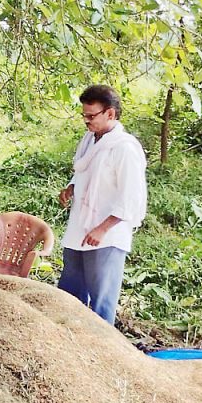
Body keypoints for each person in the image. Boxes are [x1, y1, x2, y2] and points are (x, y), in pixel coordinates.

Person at [56, 85, 147, 325]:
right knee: (68, 294)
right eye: (84, 115)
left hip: (106, 236)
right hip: (79, 228)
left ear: (110, 114)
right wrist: (71, 188)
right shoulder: (89, 139)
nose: (86, 121)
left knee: (101, 303)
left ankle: (102, 353)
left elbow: (131, 197)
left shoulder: (125, 148)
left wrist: (103, 228)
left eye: (91, 116)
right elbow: (86, 173)